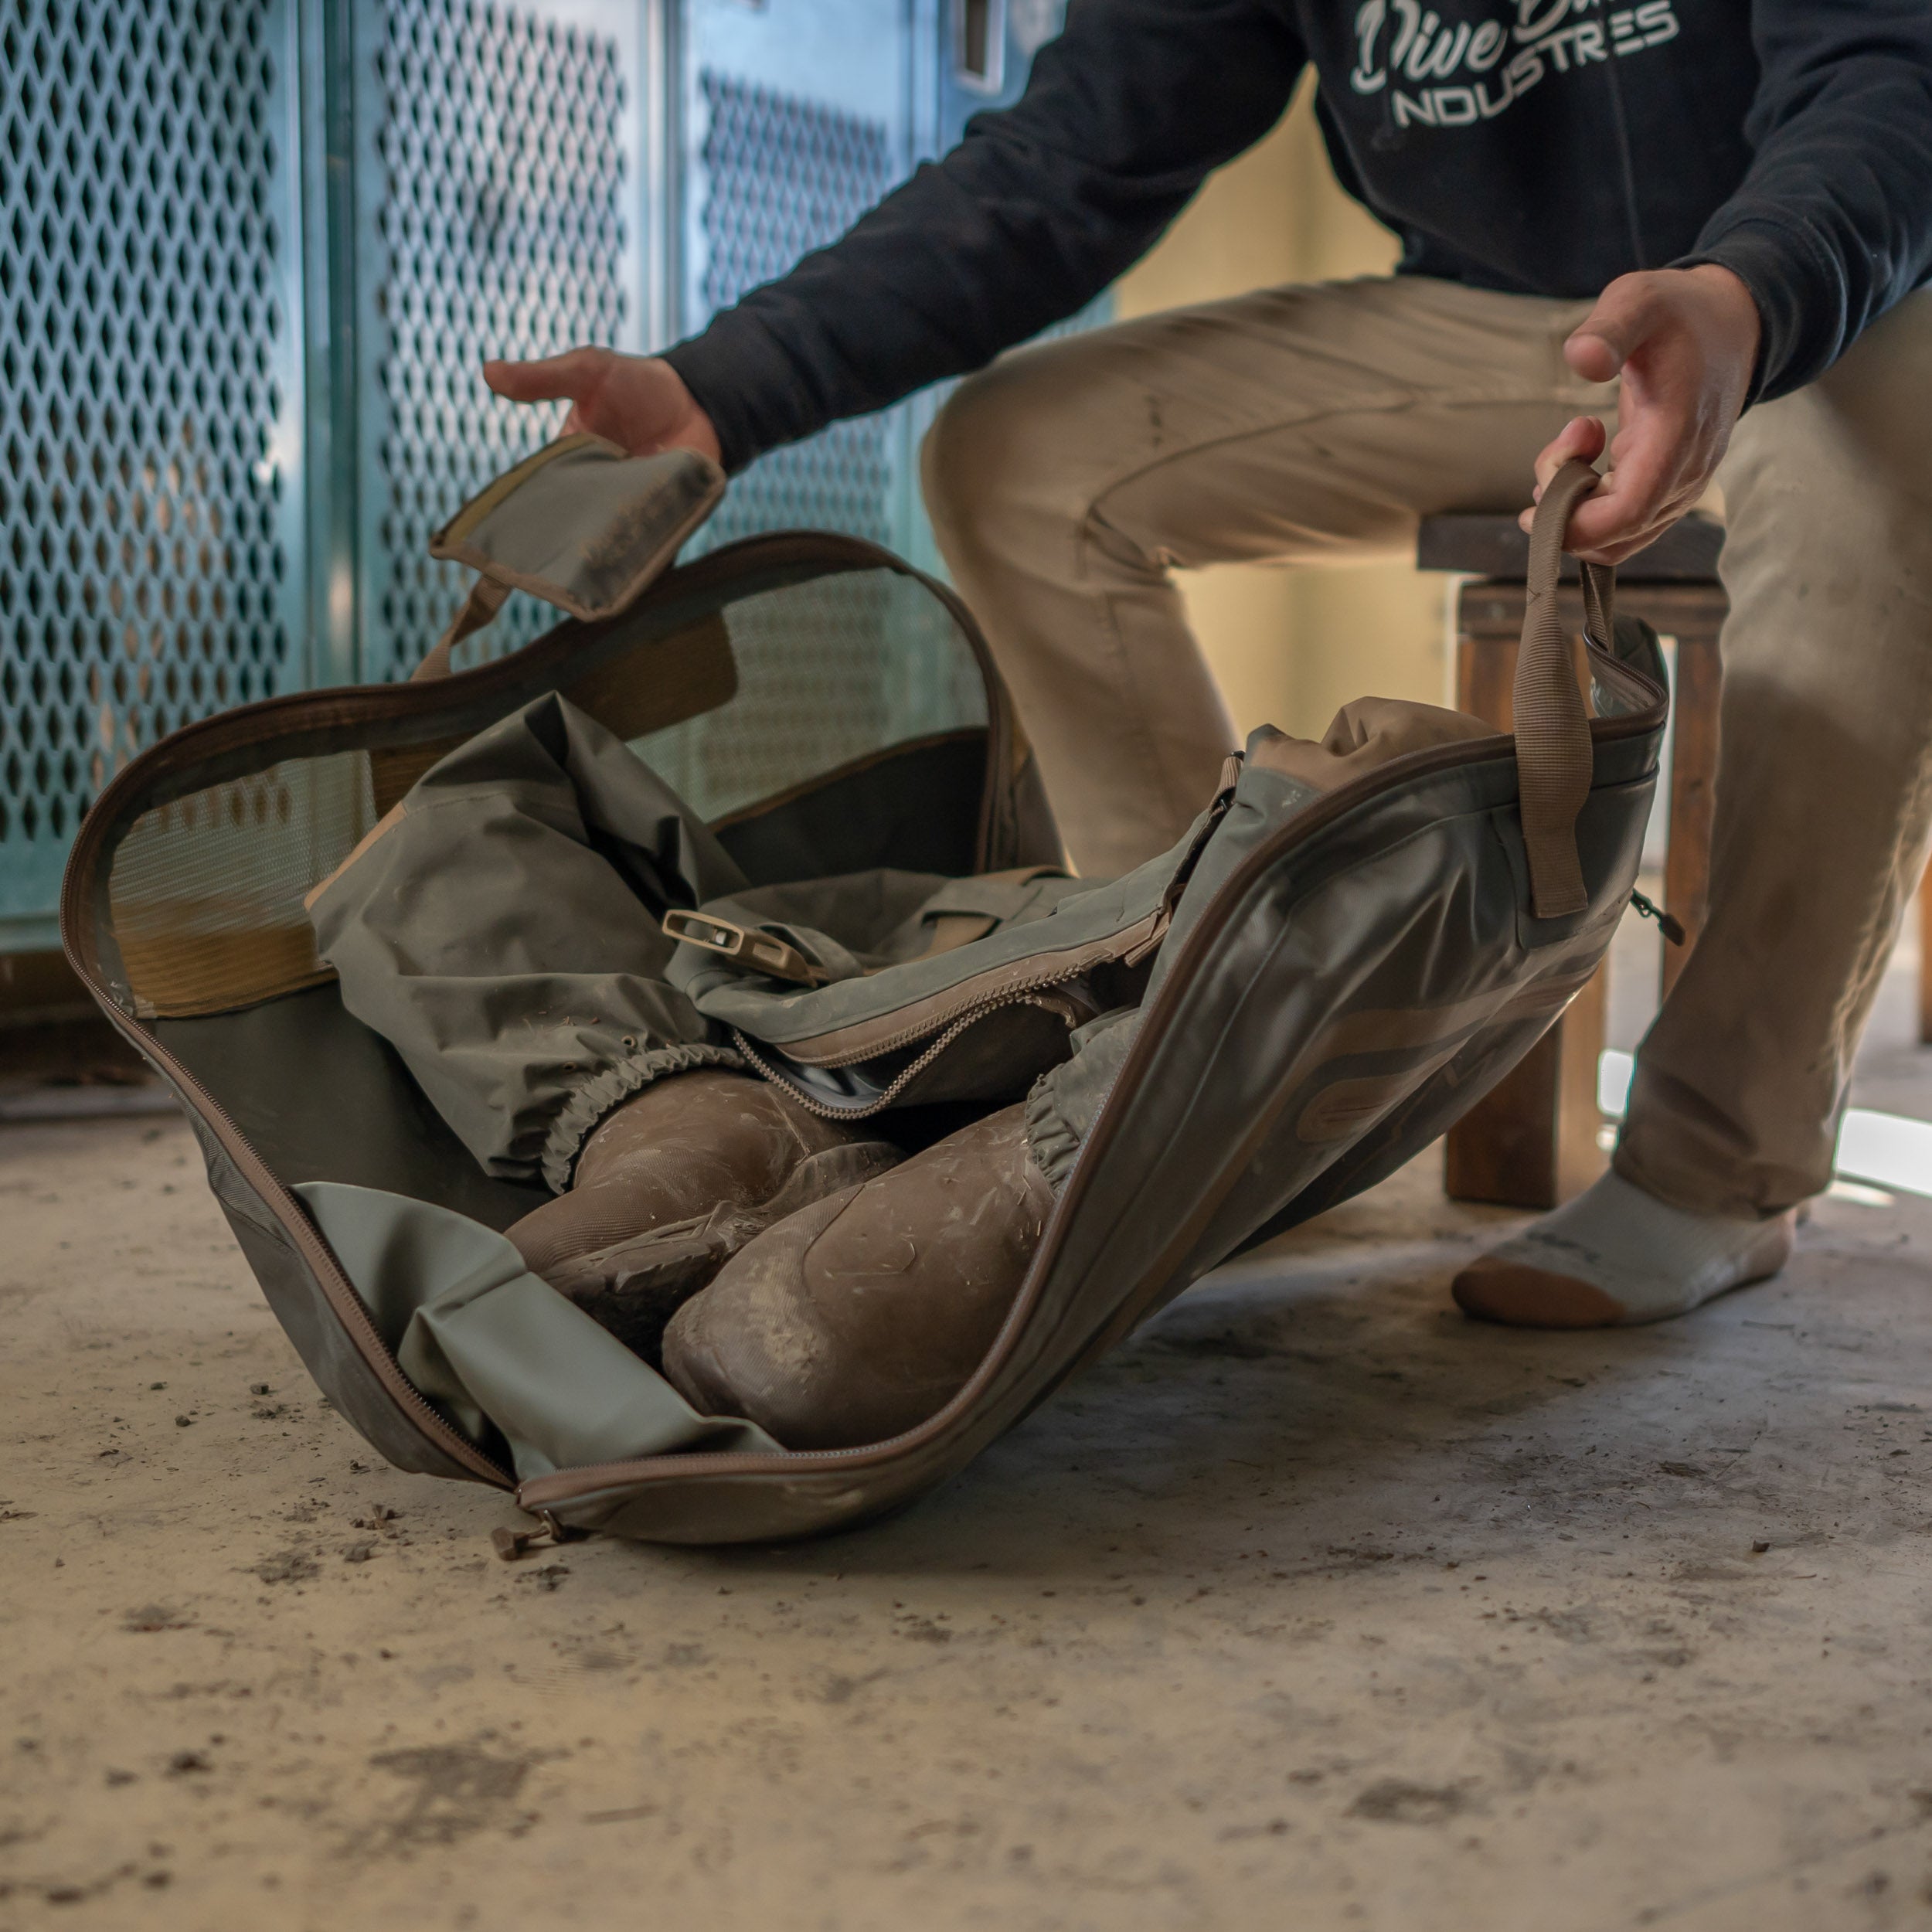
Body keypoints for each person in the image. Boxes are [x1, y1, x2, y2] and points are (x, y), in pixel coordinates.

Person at [483, 0, 1932, 1330]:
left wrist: (1753, 293)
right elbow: (1073, 151)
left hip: (1807, 288)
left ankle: (1716, 1163)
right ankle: (1212, 1084)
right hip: (1505, 319)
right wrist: (725, 384)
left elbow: (1887, 74)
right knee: (1018, 455)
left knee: (1883, 449)